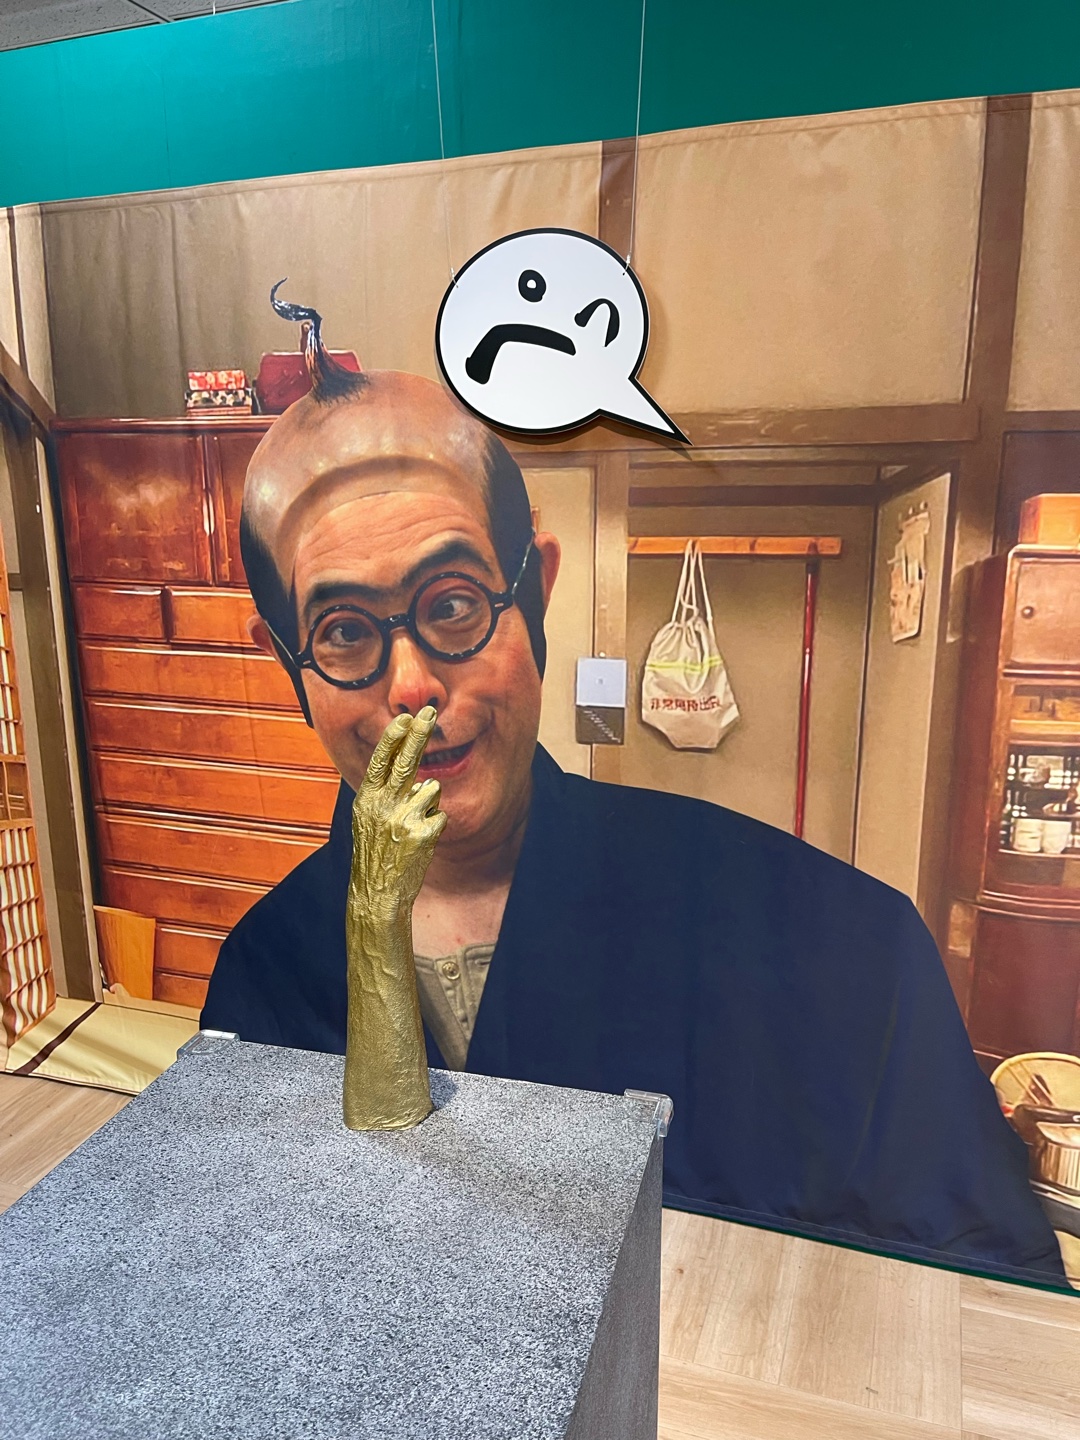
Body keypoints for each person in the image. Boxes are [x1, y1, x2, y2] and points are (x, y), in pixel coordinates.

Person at [203, 303, 1066, 1286]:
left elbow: (990, 1293)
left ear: (537, 594)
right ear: (287, 661)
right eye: (346, 632)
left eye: (453, 605)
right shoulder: (262, 977)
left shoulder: (832, 942)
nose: (410, 686)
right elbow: (248, 1280)